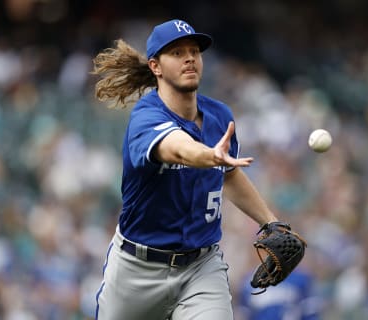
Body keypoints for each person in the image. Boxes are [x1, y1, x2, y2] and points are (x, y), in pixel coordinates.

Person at [92, 19, 285, 320]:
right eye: (178, 52)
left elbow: (229, 175)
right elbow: (177, 146)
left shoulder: (220, 115)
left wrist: (271, 223)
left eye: (194, 51)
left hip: (201, 267)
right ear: (155, 66)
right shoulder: (146, 116)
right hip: (136, 272)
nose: (190, 58)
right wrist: (208, 155)